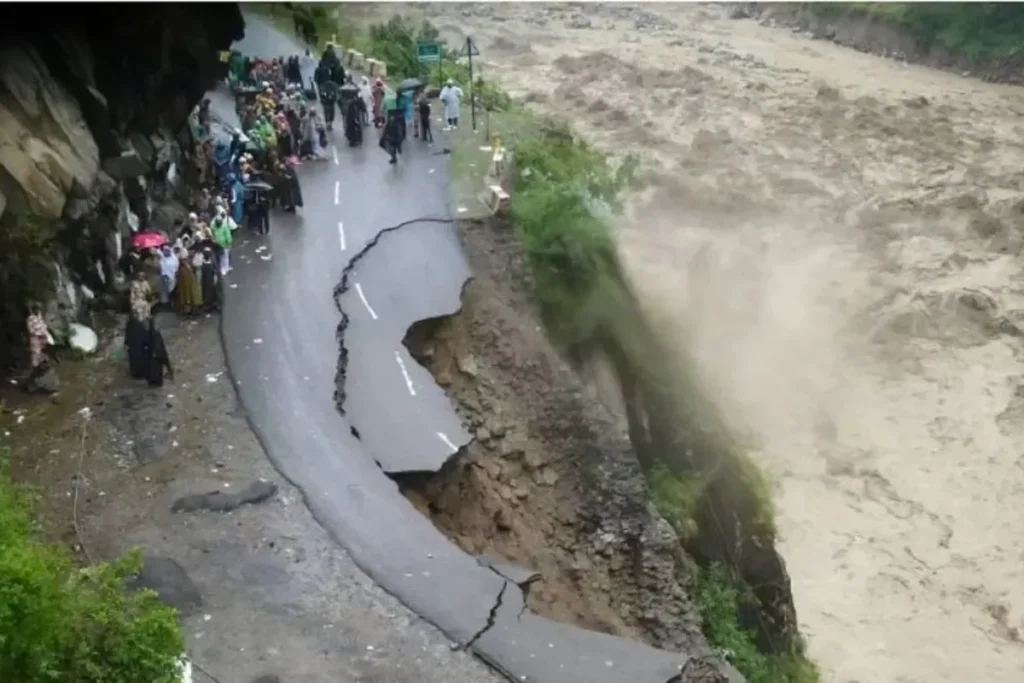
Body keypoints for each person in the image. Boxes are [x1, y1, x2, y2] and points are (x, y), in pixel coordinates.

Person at [24, 303, 50, 392]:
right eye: (37, 309)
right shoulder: (30, 319)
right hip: (35, 342)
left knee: (42, 361)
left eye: (39, 309)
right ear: (33, 310)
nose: (38, 311)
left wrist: (45, 336)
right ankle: (30, 383)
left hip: (42, 343)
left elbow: (44, 328)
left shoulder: (39, 317)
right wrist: (41, 334)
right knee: (35, 361)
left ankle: (37, 382)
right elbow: (31, 330)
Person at [144, 318, 174, 388]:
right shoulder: (156, 334)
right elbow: (161, 348)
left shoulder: (149, 334)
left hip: (154, 359)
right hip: (158, 358)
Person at [175, 246, 203, 316]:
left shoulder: (187, 264)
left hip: (190, 283)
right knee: (188, 296)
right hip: (186, 283)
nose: (185, 260)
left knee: (191, 296)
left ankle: (192, 310)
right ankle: (189, 310)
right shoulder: (182, 266)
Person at [211, 208, 234, 275]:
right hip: (217, 244)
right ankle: (221, 269)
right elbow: (212, 233)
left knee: (224, 257)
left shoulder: (224, 226)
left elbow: (228, 235)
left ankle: (225, 269)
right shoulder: (214, 226)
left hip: (224, 244)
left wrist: (229, 242)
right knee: (219, 257)